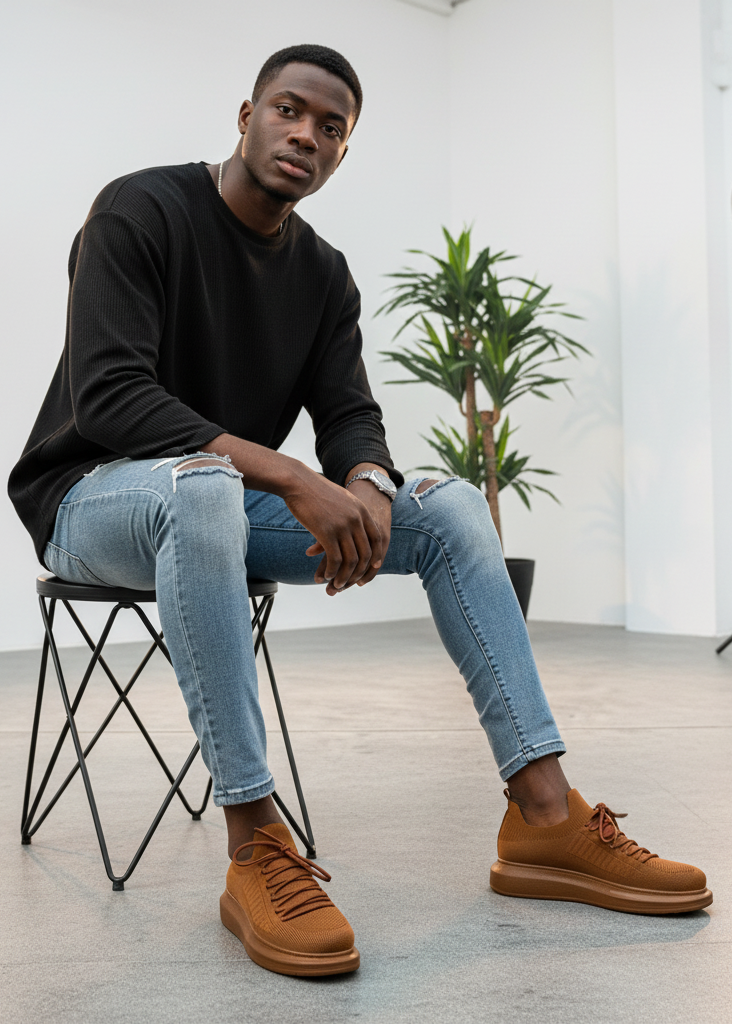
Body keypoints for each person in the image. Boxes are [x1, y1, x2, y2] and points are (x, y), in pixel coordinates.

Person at [8, 44, 711, 978]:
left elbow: (349, 413)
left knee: (450, 503)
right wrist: (296, 479)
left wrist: (368, 485)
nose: (305, 134)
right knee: (206, 485)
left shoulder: (324, 273)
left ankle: (544, 815)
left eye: (330, 128)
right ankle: (256, 842)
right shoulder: (141, 210)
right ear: (248, 113)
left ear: (343, 151)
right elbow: (111, 396)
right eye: (289, 111)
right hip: (92, 500)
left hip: (217, 506)